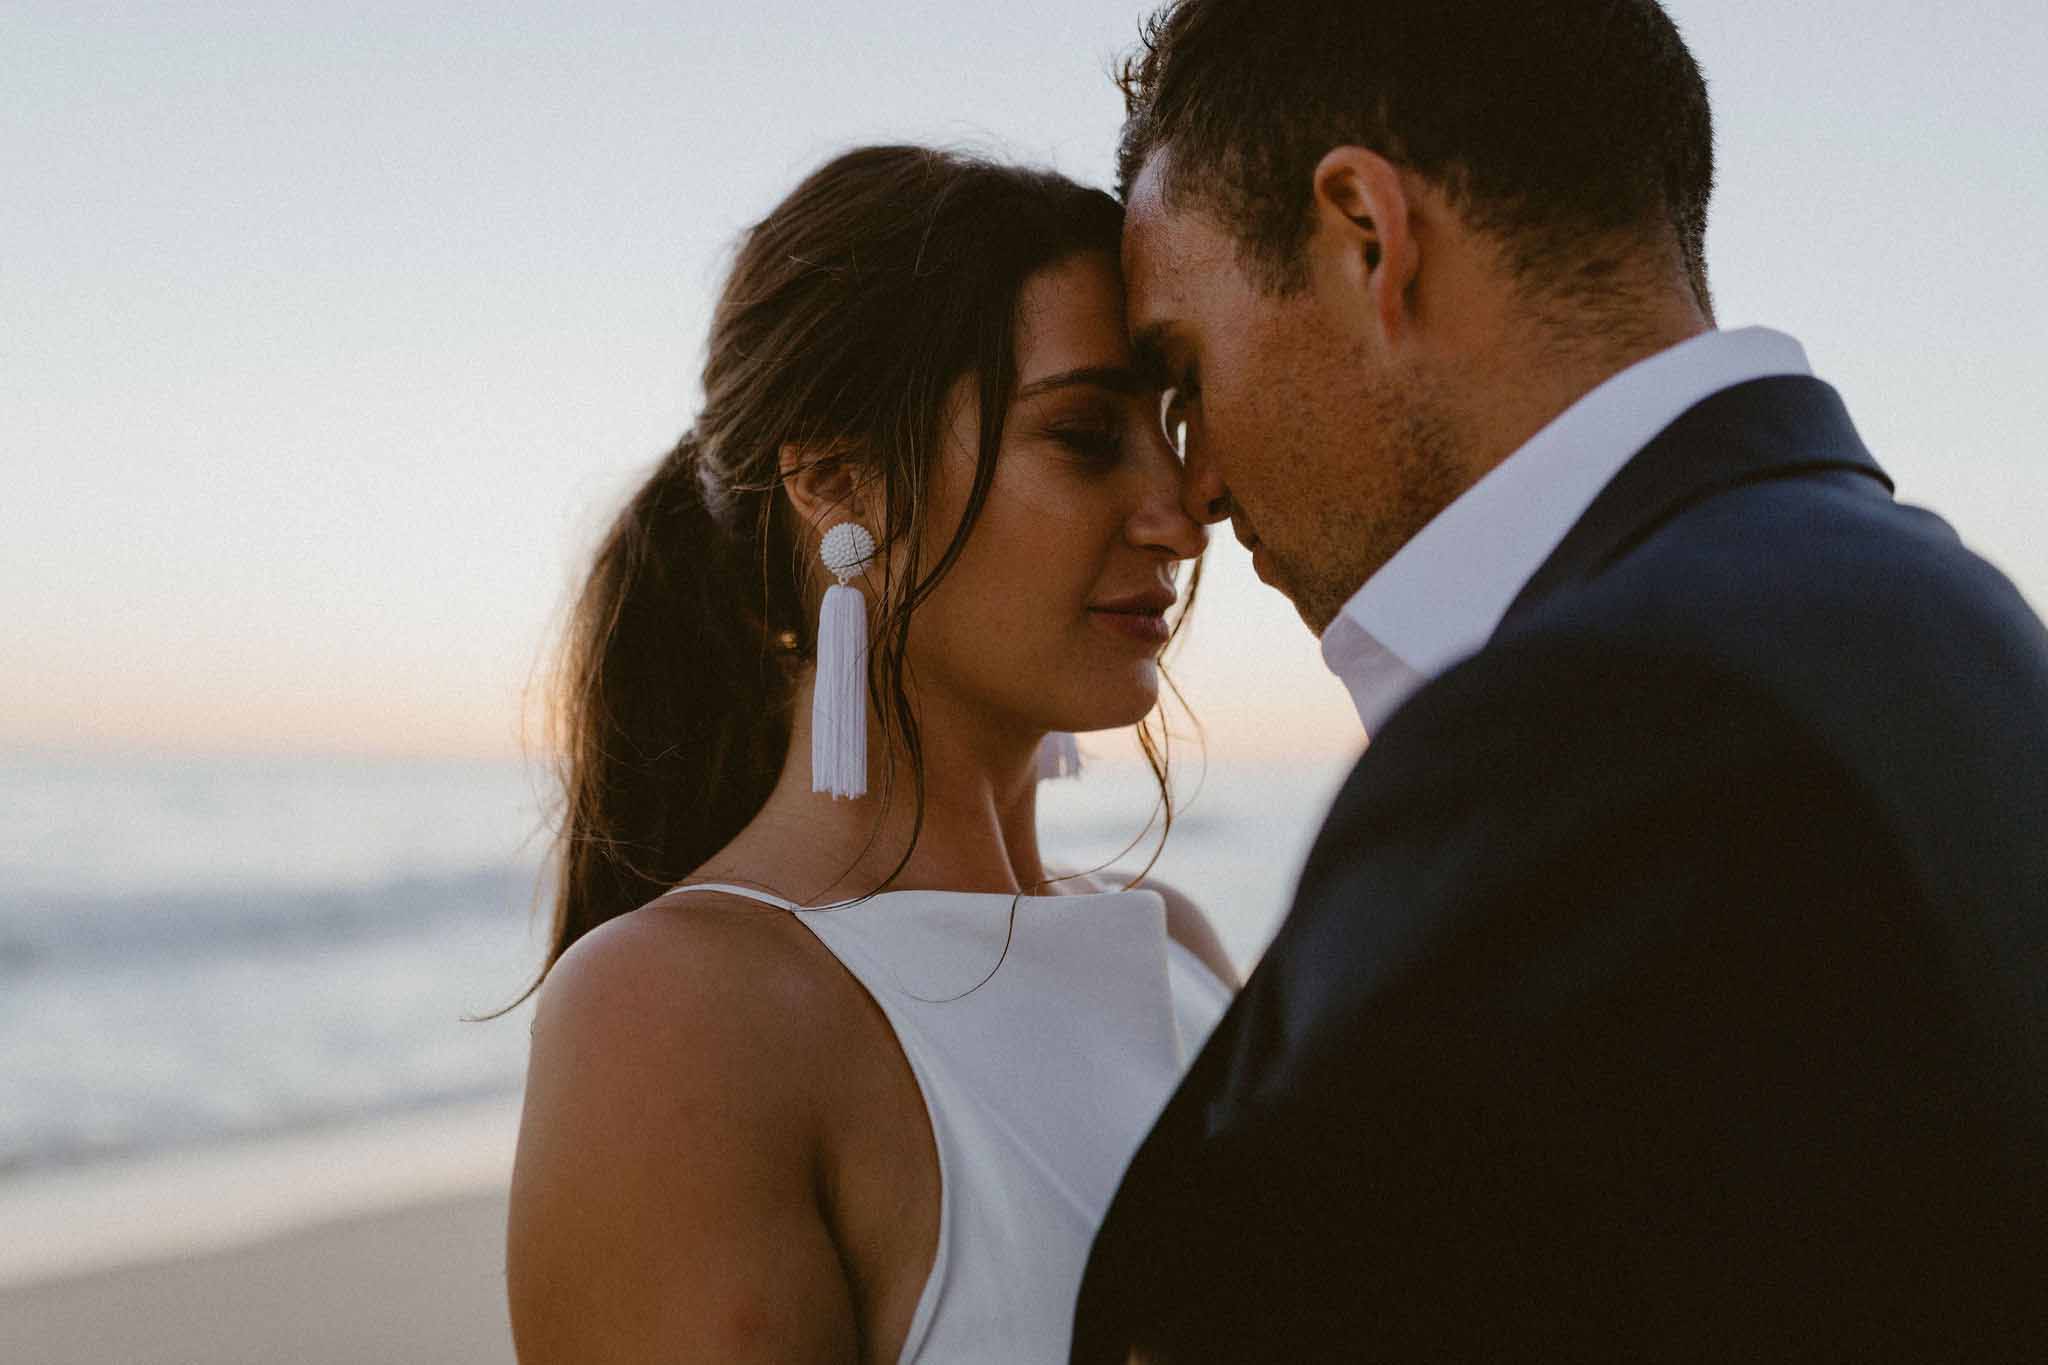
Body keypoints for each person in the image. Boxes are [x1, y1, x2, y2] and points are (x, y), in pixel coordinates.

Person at [1074, 1, 2048, 1359]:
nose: (1199, 488)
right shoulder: (1956, 620)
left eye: (1187, 374)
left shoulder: (1595, 726)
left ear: (1368, 235)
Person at [505, 145, 1237, 1363]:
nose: (1178, 515)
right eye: (1084, 435)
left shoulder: (1177, 948)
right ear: (839, 477)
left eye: (1172, 427)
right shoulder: (676, 1017)